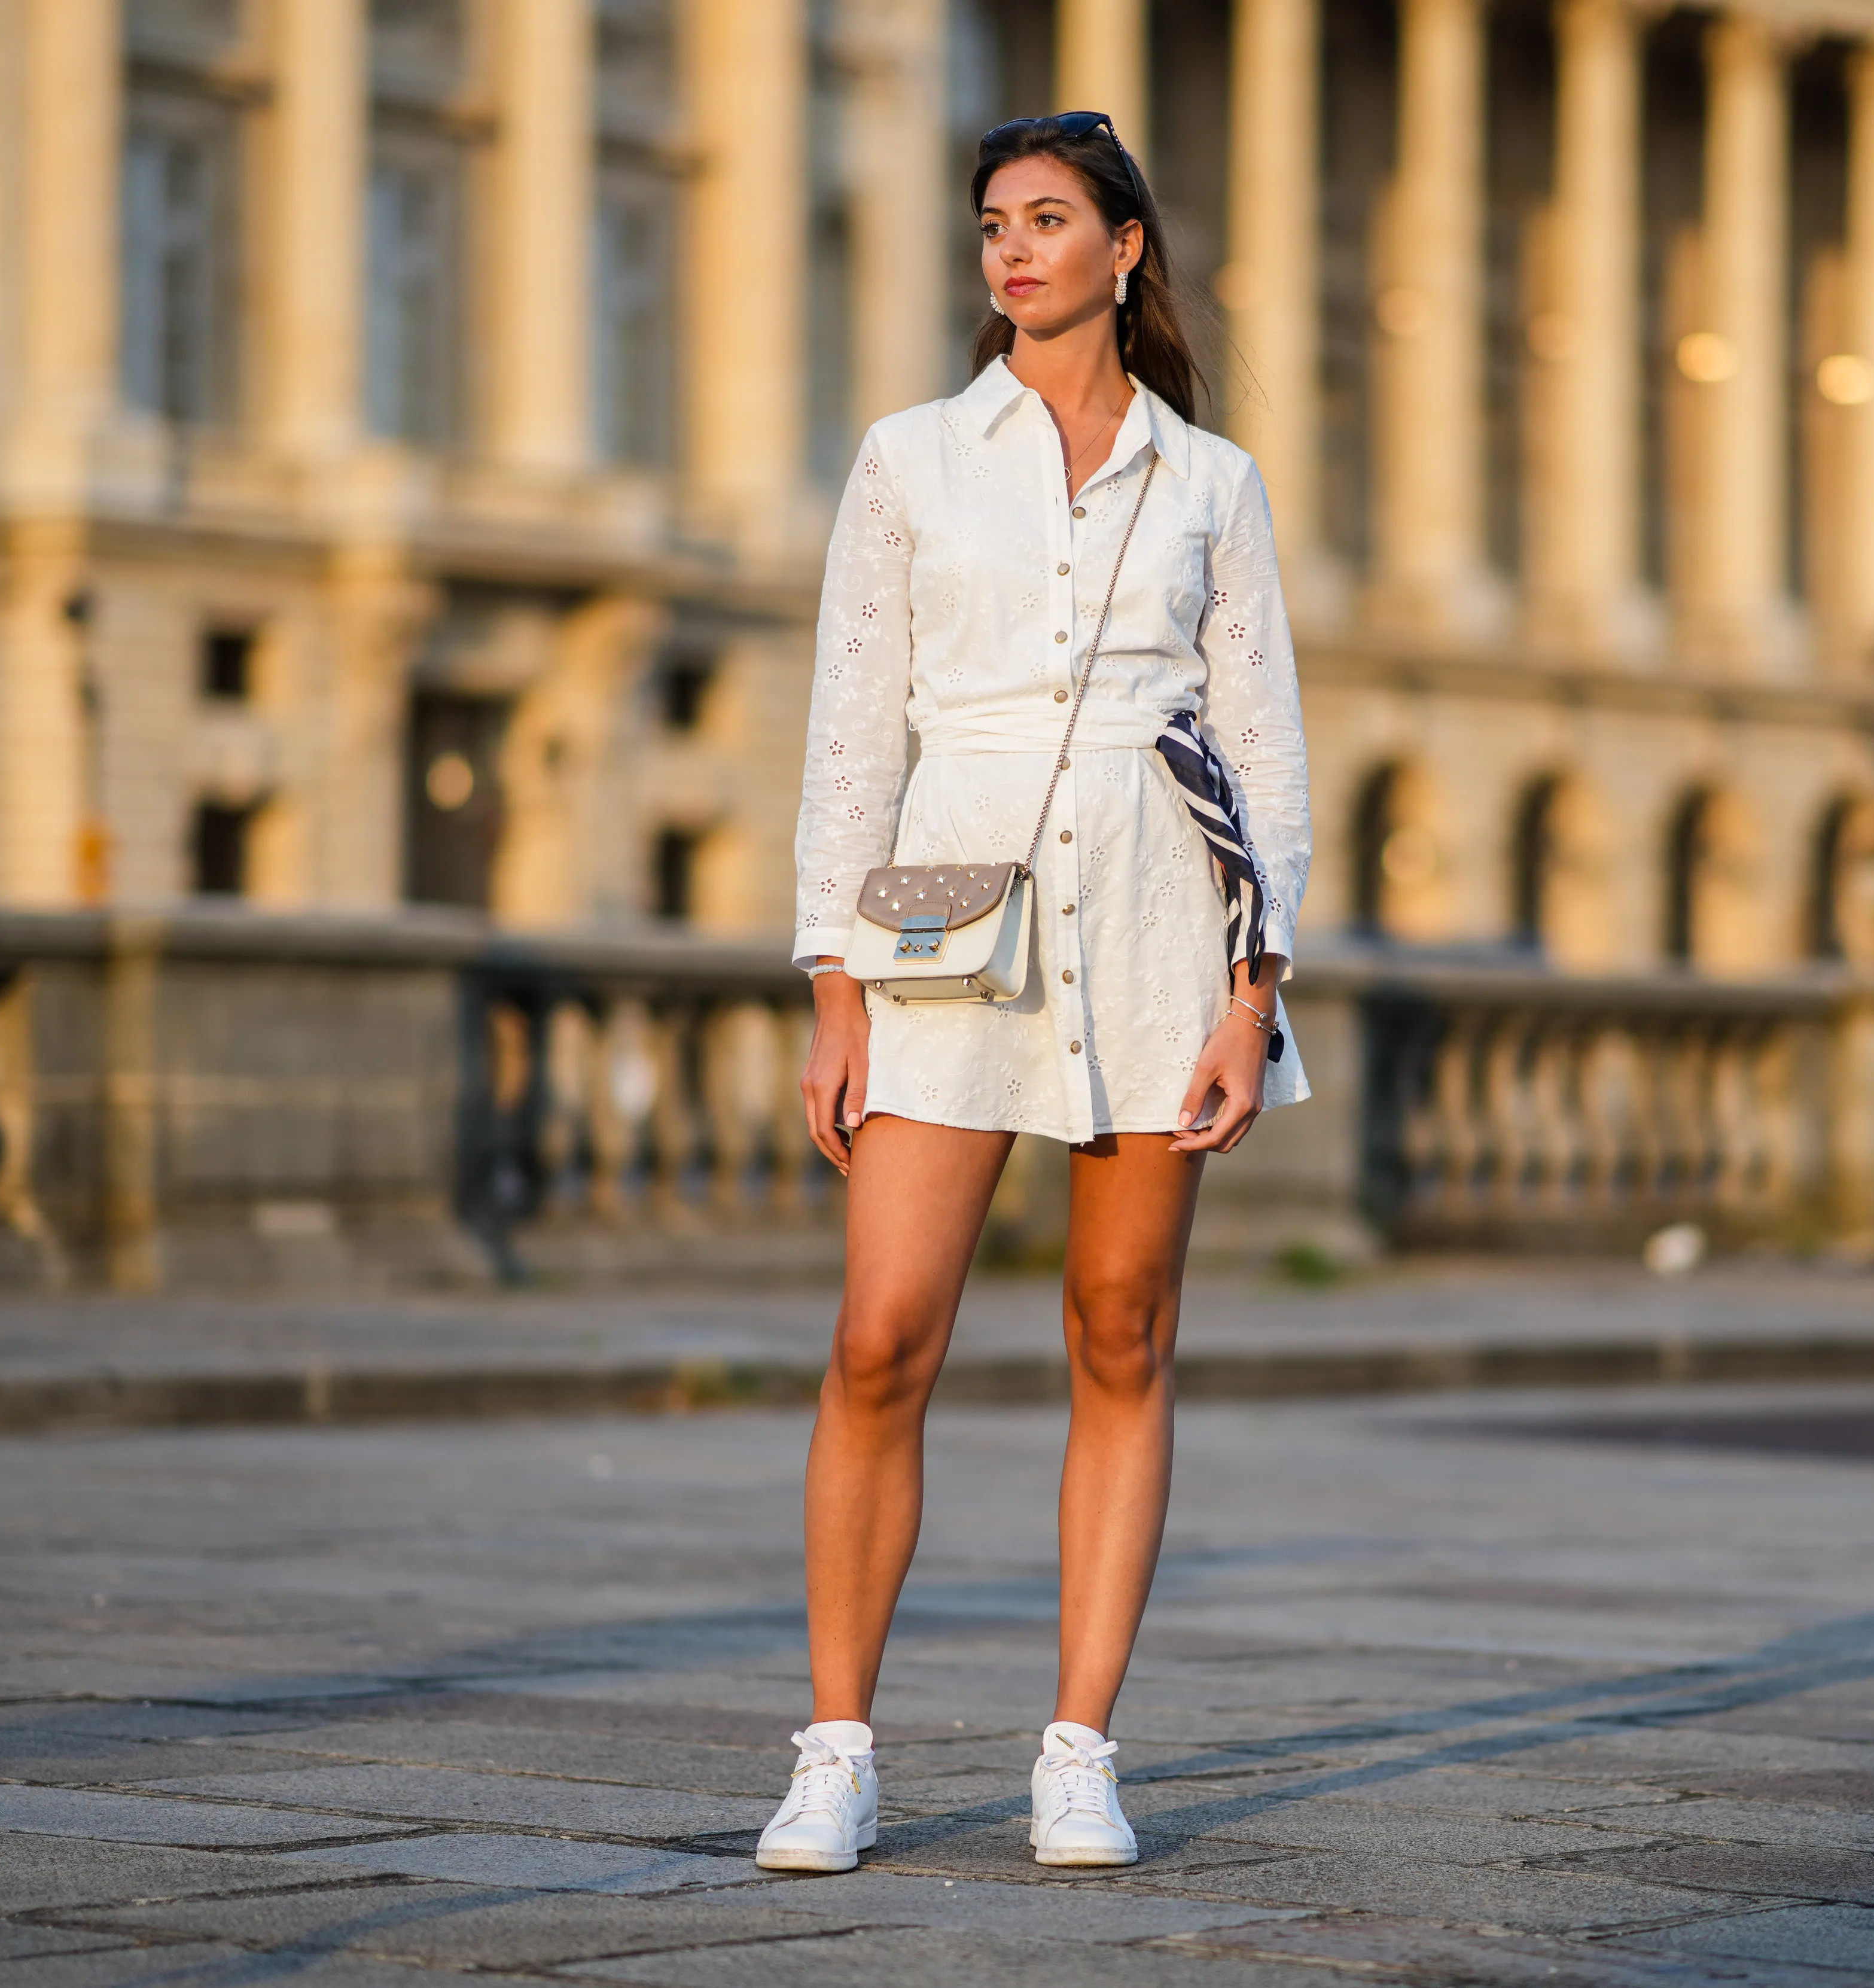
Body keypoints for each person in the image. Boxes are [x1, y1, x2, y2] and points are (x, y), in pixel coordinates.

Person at [757, 112, 1312, 1875]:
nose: (1009, 251)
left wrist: (1255, 989)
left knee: (1121, 1328)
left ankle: (1079, 1746)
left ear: (1124, 248)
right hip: (945, 928)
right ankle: (836, 1747)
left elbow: (1264, 749)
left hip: (1162, 924)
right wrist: (833, 984)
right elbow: (855, 728)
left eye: (1048, 220)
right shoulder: (912, 458)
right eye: (993, 223)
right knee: (879, 1337)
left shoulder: (1209, 481)